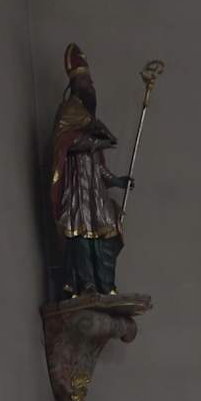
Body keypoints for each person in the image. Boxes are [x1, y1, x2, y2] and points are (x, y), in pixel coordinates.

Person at [50, 43, 133, 298]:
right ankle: (85, 284)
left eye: (90, 80)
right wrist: (96, 142)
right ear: (75, 84)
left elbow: (99, 166)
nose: (91, 84)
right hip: (77, 191)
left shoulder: (90, 119)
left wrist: (117, 181)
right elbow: (65, 144)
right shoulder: (68, 111)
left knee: (107, 233)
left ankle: (105, 285)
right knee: (80, 236)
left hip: (95, 193)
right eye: (86, 80)